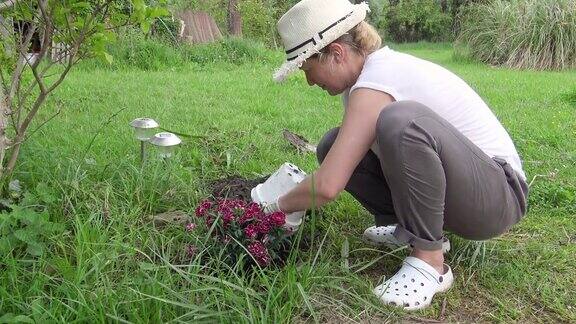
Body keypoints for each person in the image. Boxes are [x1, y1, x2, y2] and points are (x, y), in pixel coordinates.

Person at [255, 0, 528, 311]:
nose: (309, 81)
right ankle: (412, 230)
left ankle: (430, 262)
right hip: (470, 192)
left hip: (498, 197)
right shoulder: (366, 82)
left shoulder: (379, 79)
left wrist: (273, 208)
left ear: (336, 53)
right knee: (333, 144)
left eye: (308, 68)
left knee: (402, 122)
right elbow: (340, 165)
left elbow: (329, 185)